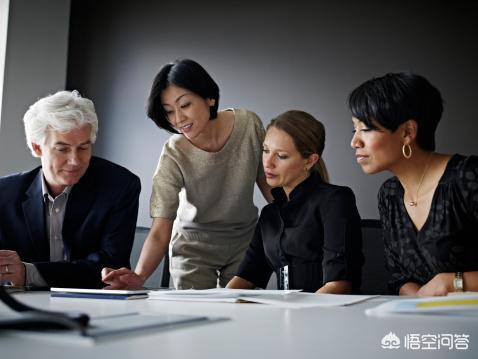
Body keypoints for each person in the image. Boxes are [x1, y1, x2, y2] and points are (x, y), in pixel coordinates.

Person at [102, 59, 271, 290]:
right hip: (193, 248)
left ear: (209, 98)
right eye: (169, 111)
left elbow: (268, 183)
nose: (178, 119)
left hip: (245, 241)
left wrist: (300, 221)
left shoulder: (249, 124)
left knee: (244, 315)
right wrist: (139, 276)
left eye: (185, 105)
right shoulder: (173, 153)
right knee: (196, 316)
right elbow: (161, 228)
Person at [349, 72, 478, 296]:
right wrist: (417, 302)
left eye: (366, 129)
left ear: (408, 132)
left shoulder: (468, 177)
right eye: (354, 129)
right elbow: (400, 278)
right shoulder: (389, 194)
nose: (354, 142)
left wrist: (455, 282)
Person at [0, 90, 141, 288]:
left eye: (83, 147)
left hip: (95, 306)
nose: (75, 161)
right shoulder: (4, 194)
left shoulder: (119, 186)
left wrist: (28, 273)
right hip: (22, 307)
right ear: (37, 147)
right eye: (63, 149)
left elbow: (109, 266)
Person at [227, 110, 363, 293]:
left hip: (328, 314)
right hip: (286, 313)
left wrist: (299, 315)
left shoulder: (335, 201)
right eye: (266, 151)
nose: (268, 163)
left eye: (281, 156)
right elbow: (246, 276)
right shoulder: (270, 214)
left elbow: (339, 284)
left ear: (309, 160)